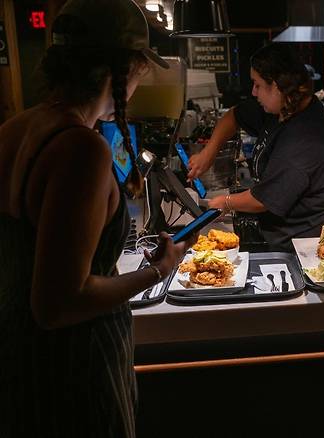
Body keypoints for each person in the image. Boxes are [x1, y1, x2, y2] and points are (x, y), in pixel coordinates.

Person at [0, 1, 193, 437]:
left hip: (16, 360)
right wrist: (158, 270)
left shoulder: (17, 128)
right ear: (126, 67)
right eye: (144, 68)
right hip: (70, 370)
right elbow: (58, 303)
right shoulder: (81, 149)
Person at [187, 44, 324, 251]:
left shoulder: (304, 139)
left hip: (316, 242)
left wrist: (224, 202)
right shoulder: (281, 107)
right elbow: (234, 115)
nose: (253, 92)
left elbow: (263, 199)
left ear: (276, 86)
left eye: (257, 85)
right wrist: (208, 153)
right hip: (289, 232)